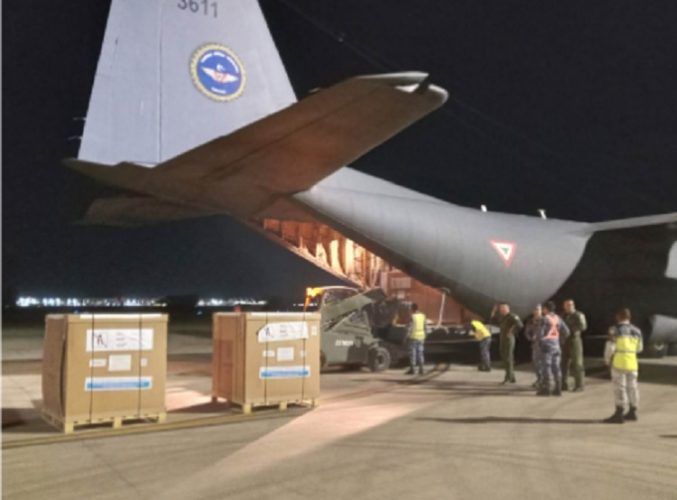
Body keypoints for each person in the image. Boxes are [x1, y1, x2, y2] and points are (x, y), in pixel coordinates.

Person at [603, 308, 643, 423]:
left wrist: (607, 359)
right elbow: (640, 348)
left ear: (618, 317)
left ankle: (619, 413)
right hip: (632, 362)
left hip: (619, 362)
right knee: (633, 387)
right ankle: (633, 411)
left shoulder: (614, 330)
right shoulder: (637, 331)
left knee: (619, 388)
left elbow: (610, 347)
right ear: (629, 317)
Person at [536, 301, 570, 396]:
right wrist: (559, 341)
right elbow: (567, 332)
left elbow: (539, 334)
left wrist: (540, 343)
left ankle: (547, 389)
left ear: (545, 309)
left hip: (546, 346)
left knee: (546, 367)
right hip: (556, 345)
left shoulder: (544, 319)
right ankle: (558, 389)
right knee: (556, 367)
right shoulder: (558, 318)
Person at [490, 302, 523, 384]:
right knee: (504, 357)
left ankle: (508, 377)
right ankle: (511, 377)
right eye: (500, 309)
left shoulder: (512, 316)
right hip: (503, 339)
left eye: (503, 308)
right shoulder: (503, 318)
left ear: (507, 308)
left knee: (508, 358)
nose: (501, 310)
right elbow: (493, 321)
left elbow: (519, 324)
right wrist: (493, 312)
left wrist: (511, 331)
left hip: (509, 339)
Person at [561, 299, 587, 391]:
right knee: (563, 363)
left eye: (570, 305)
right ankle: (563, 384)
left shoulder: (578, 315)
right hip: (564, 341)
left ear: (573, 305)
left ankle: (579, 385)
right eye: (566, 305)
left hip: (574, 341)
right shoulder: (563, 316)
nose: (568, 307)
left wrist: (570, 330)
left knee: (577, 363)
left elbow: (583, 326)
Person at [523, 304, 544, 389]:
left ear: (541, 310)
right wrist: (531, 338)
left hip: (545, 345)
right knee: (536, 363)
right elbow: (527, 332)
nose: (536, 311)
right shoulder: (530, 321)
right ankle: (539, 379)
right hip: (535, 345)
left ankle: (544, 381)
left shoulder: (545, 320)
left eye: (538, 309)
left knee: (544, 364)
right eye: (535, 309)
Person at [405, 303, 427, 375]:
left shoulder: (412, 317)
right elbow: (425, 327)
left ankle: (413, 369)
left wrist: (405, 337)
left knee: (413, 353)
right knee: (420, 353)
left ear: (412, 309)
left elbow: (409, 328)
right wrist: (425, 335)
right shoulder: (423, 316)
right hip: (421, 337)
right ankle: (421, 369)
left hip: (413, 337)